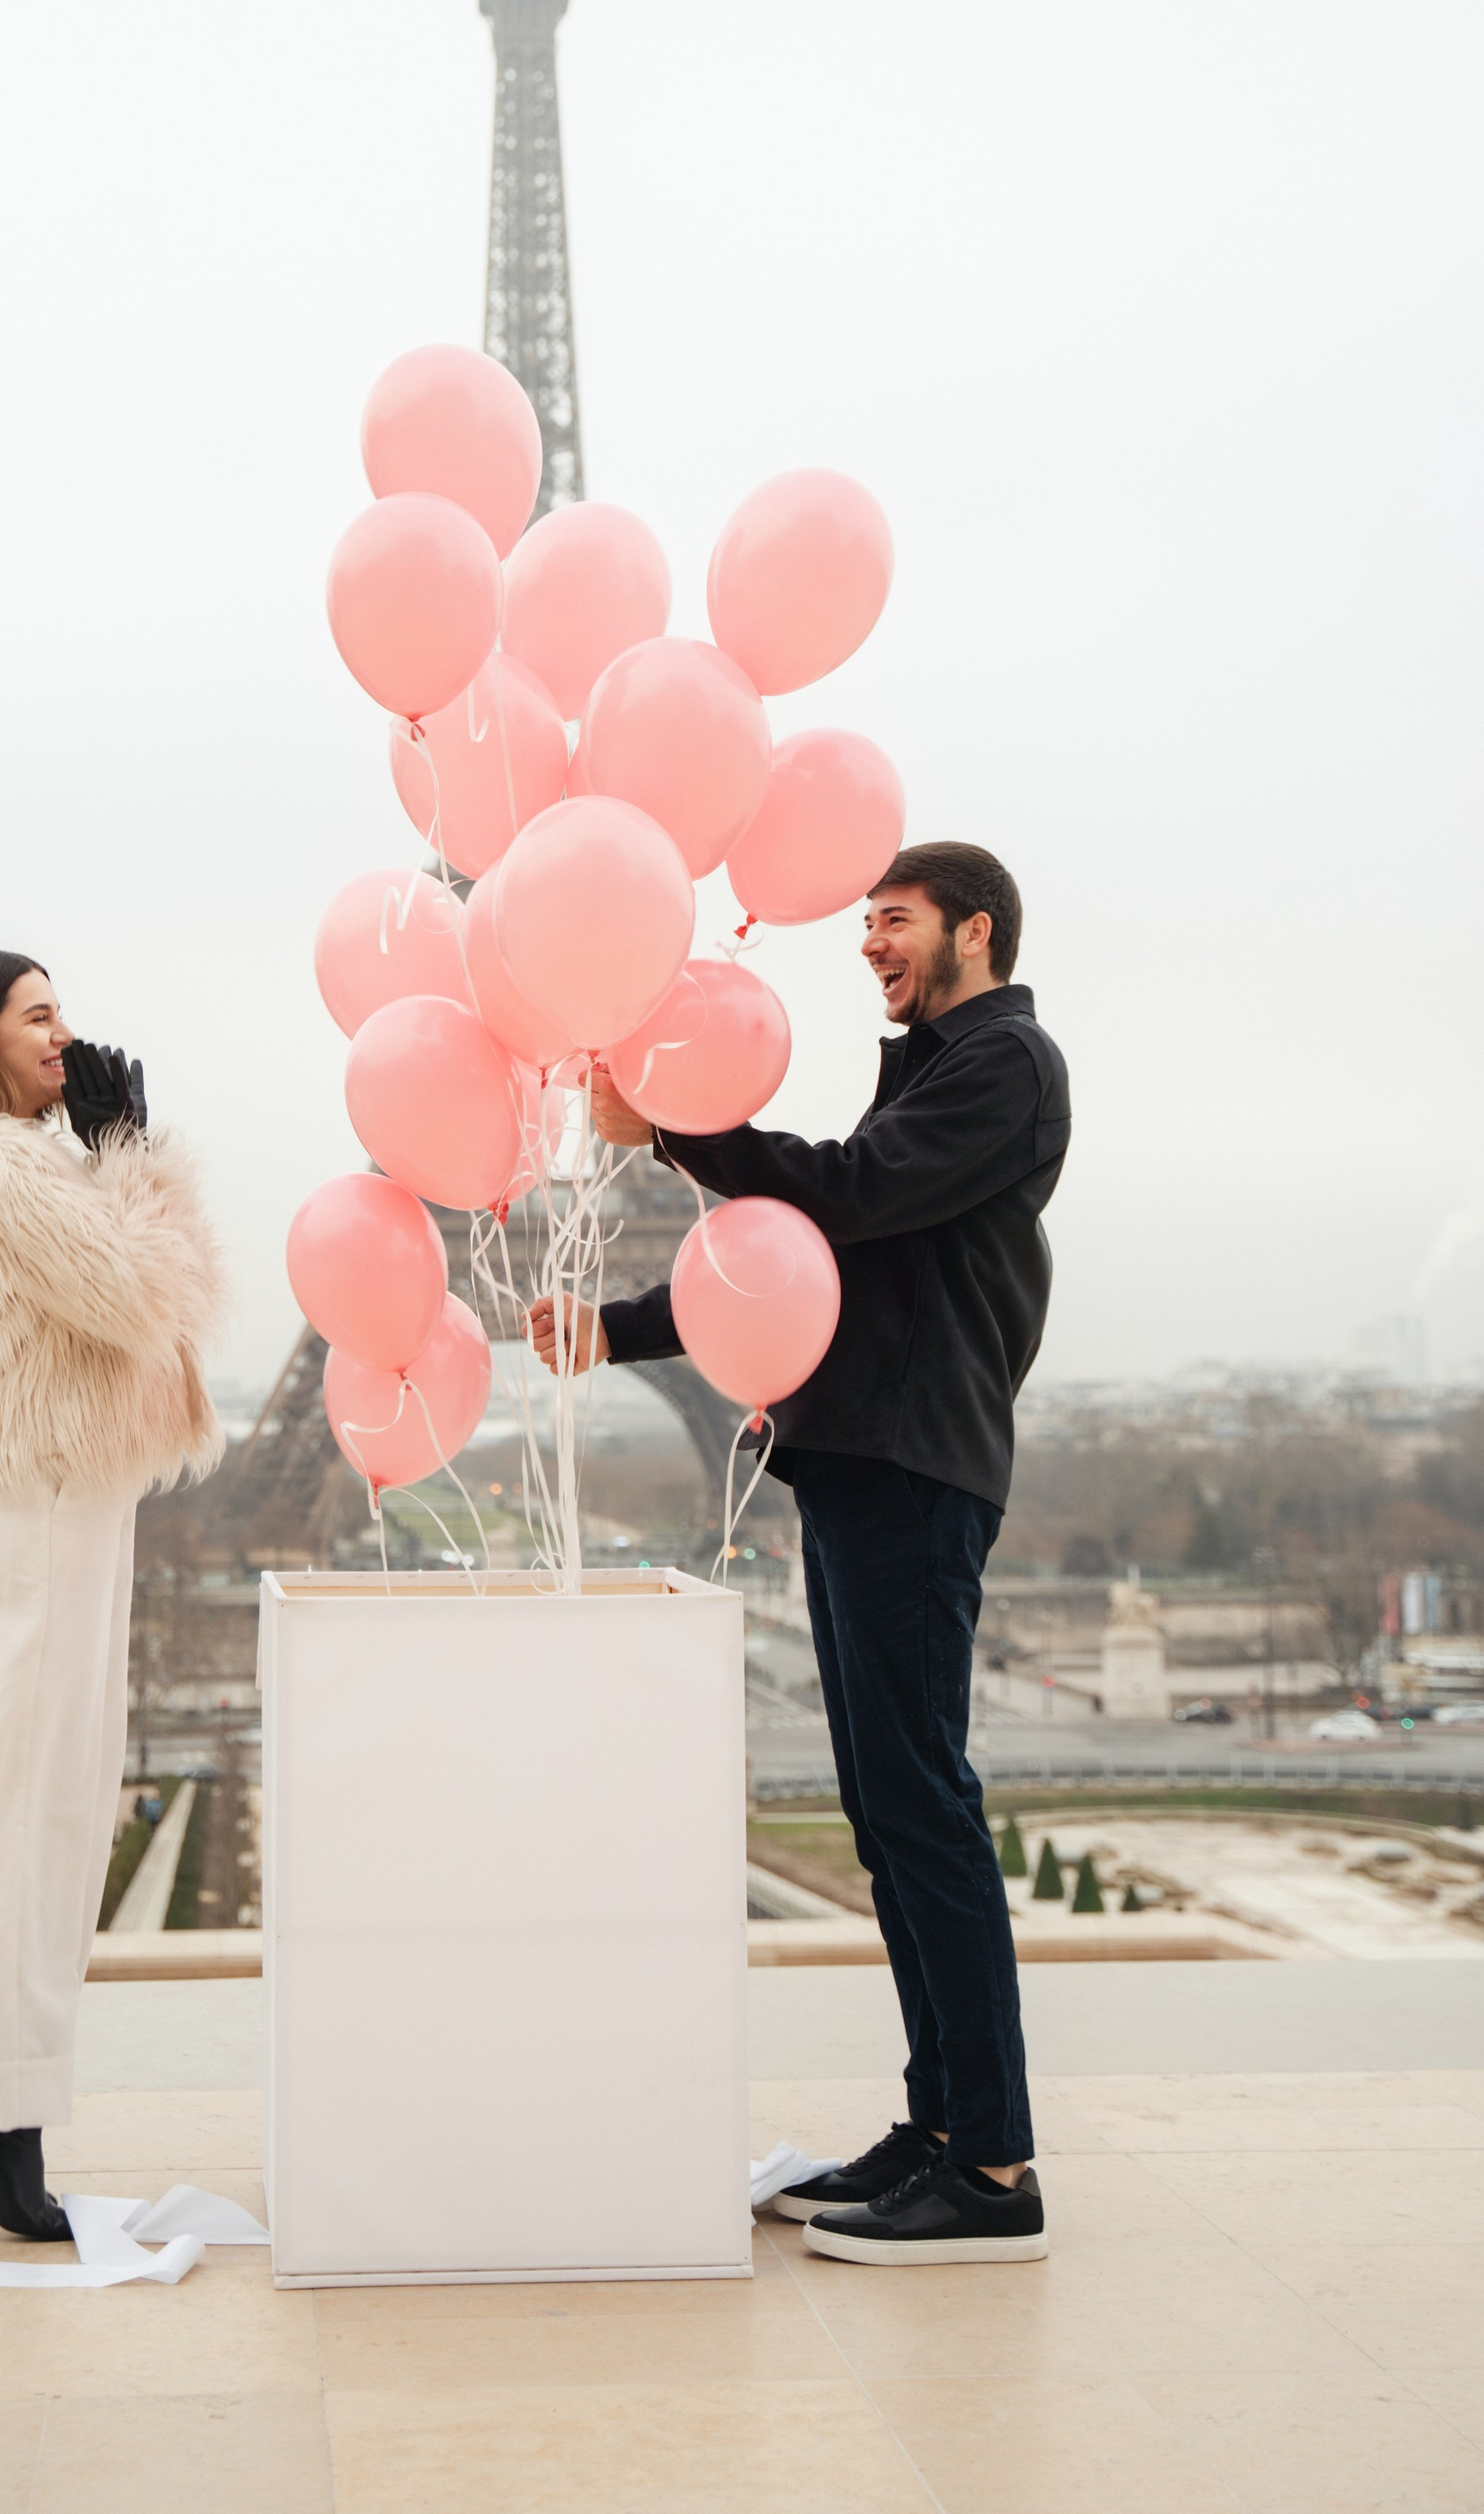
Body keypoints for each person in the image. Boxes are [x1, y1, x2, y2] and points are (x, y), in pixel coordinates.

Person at [530, 843, 1067, 2266]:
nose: (871, 946)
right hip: (864, 1462)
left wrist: (665, 1131)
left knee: (924, 1811)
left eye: (891, 923)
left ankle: (997, 2170)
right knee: (891, 1818)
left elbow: (842, 1199)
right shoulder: (939, 1068)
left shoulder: (1006, 1066)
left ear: (976, 927)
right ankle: (943, 2127)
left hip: (916, 1467)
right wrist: (622, 1327)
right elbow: (811, 1274)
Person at [0, 951, 225, 2238]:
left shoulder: (32, 1166)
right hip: (37, 1496)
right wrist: (129, 1155)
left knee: (66, 1797)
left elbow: (162, 1306)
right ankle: (0, 2105)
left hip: (72, 1491)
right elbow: (139, 1296)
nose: (63, 1034)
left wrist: (123, 1160)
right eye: (37, 1015)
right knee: (38, 1801)